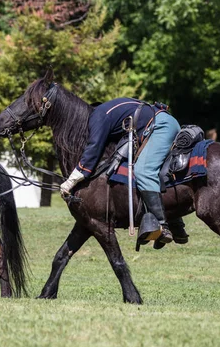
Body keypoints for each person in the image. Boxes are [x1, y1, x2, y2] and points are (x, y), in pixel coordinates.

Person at [59, 98, 188, 247]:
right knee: (153, 169)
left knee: (144, 171)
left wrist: (71, 181)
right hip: (159, 123)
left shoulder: (98, 117)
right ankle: (177, 224)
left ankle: (162, 226)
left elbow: (93, 151)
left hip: (161, 126)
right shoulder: (108, 112)